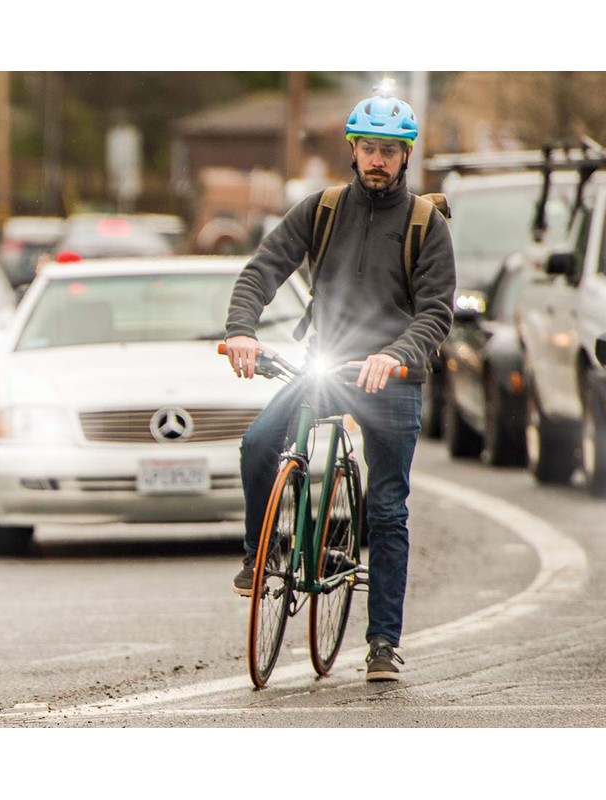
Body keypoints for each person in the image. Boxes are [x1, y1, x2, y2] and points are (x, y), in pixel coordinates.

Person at [222, 86, 456, 682]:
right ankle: (261, 553)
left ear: (406, 156)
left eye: (389, 151)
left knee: (387, 510)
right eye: (368, 148)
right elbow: (261, 270)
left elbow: (435, 312)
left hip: (391, 378)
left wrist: (395, 356)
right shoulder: (321, 209)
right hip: (325, 366)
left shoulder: (426, 224)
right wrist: (242, 330)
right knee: (258, 442)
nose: (377, 160)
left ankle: (382, 645)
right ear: (352, 150)